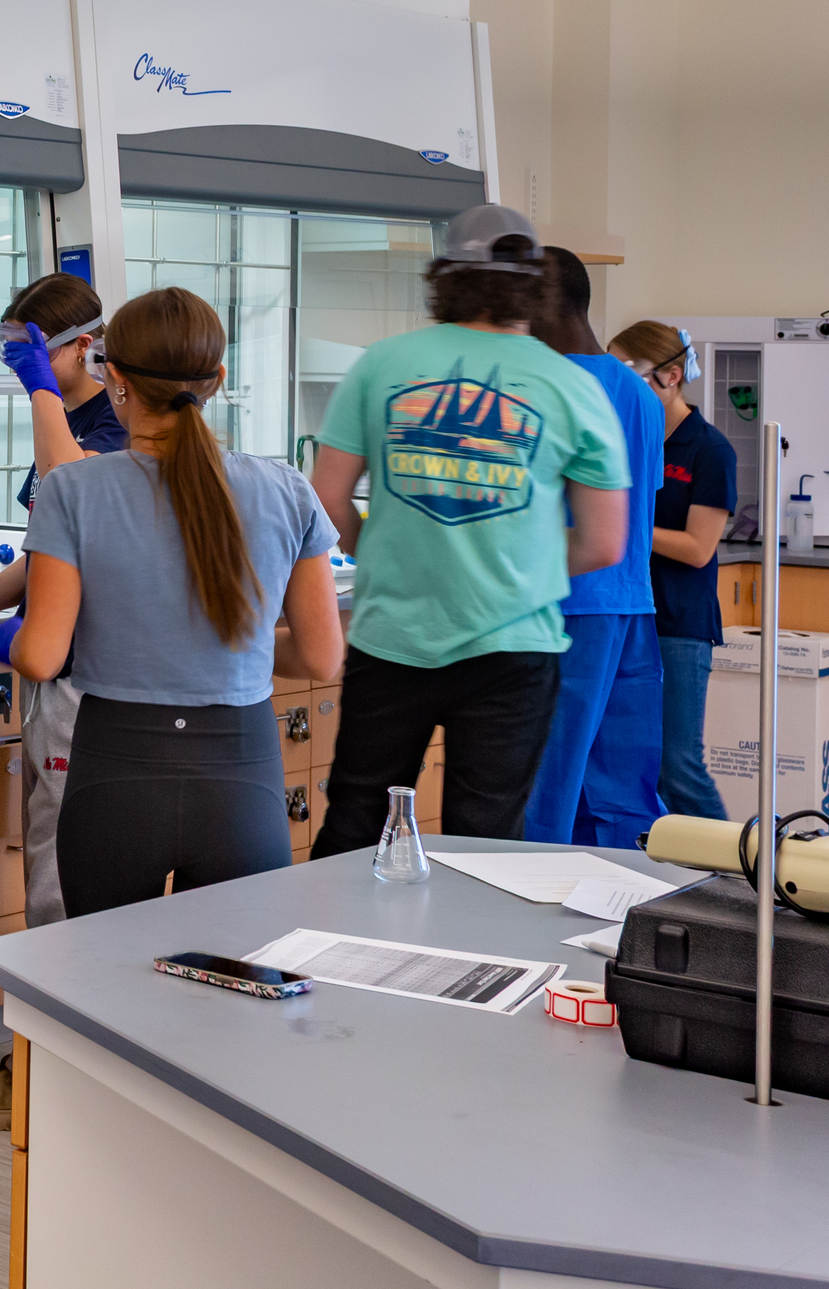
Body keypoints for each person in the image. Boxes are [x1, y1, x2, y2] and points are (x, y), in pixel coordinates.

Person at [5, 290, 345, 915]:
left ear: (115, 377)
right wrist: (225, 644)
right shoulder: (286, 489)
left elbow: (41, 657)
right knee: (229, 999)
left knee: (98, 992)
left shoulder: (72, 489)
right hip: (242, 780)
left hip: (115, 780)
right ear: (217, 379)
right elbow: (324, 659)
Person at [308, 205, 630, 859]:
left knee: (355, 828)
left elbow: (327, 499)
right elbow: (604, 544)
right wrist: (517, 567)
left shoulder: (382, 364)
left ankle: (331, 956)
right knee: (486, 850)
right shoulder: (572, 387)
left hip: (393, 638)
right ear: (534, 284)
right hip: (515, 646)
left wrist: (376, 552)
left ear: (444, 278)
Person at [0, 271, 119, 1132]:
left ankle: (42, 1083)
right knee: (55, 875)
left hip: (89, 682)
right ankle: (48, 1070)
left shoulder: (110, 424)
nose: (22, 371)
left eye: (31, 352)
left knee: (58, 884)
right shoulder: (69, 422)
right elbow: (44, 551)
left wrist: (47, 394)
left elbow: (79, 497)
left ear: (84, 346)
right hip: (74, 678)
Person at [524, 248, 666, 847]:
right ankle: (618, 924)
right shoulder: (640, 396)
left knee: (542, 785)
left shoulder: (545, 388)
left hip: (565, 605)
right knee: (620, 787)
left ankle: (516, 923)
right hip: (631, 607)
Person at [613, 319, 736, 821]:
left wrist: (623, 531)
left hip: (679, 625)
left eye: (629, 373)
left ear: (671, 375)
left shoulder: (709, 450)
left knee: (677, 765)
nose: (619, 386)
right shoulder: (622, 440)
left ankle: (738, 879)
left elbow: (698, 548)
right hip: (625, 614)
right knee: (628, 761)